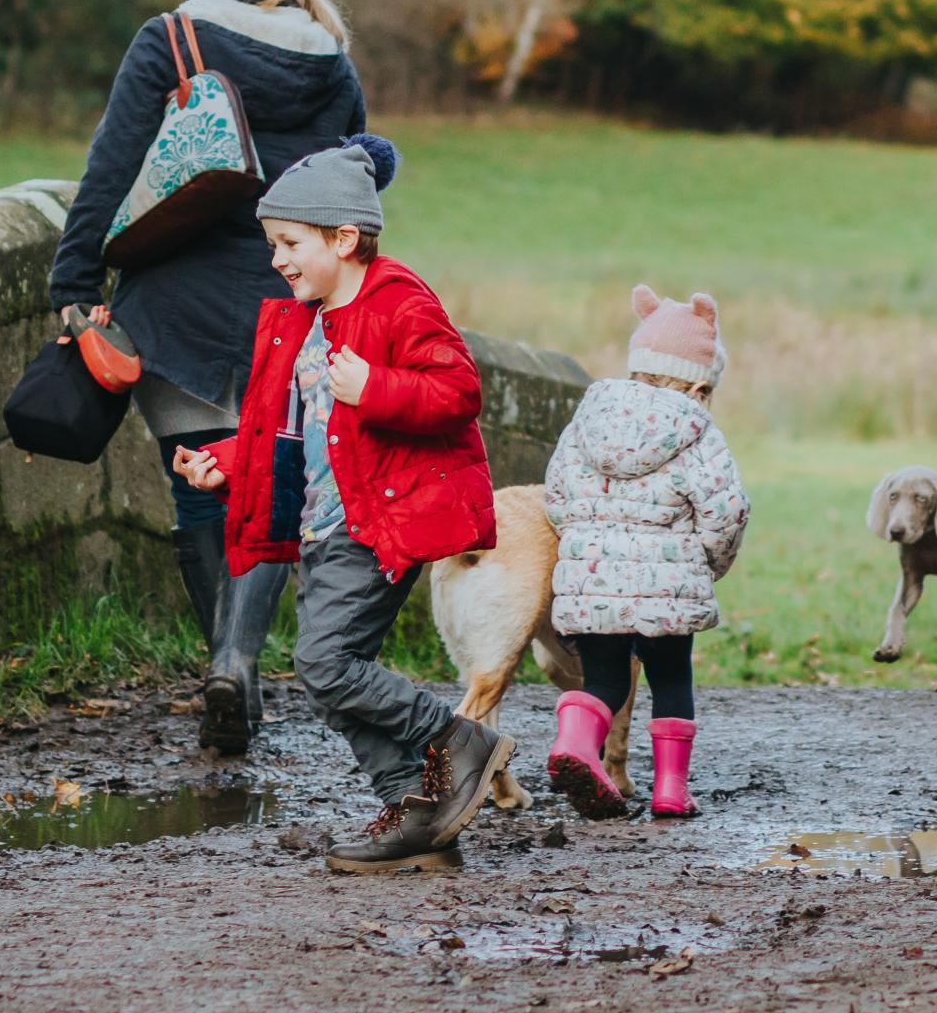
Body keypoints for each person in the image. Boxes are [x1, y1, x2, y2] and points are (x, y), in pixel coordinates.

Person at [49, 0, 365, 756]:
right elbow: (353, 194)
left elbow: (110, 169)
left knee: (198, 486)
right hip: (287, 303)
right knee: (267, 480)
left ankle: (228, 668)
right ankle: (239, 654)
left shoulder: (174, 37)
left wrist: (74, 285)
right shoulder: (331, 59)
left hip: (176, 308)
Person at [173, 136, 515, 873]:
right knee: (332, 680)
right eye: (273, 244)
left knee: (326, 662)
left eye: (290, 243)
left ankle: (458, 739)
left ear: (345, 237)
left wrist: (380, 390)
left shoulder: (397, 300)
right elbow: (285, 429)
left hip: (382, 521)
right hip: (323, 525)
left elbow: (460, 394)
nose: (278, 259)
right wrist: (225, 462)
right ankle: (418, 809)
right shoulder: (306, 321)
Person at [541, 286, 749, 819]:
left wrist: (585, 544)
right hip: (668, 589)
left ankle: (574, 738)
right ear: (701, 383)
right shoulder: (698, 430)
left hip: (592, 582)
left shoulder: (587, 418)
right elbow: (727, 512)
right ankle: (670, 792)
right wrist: (705, 563)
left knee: (606, 680)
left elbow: (556, 496)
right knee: (672, 678)